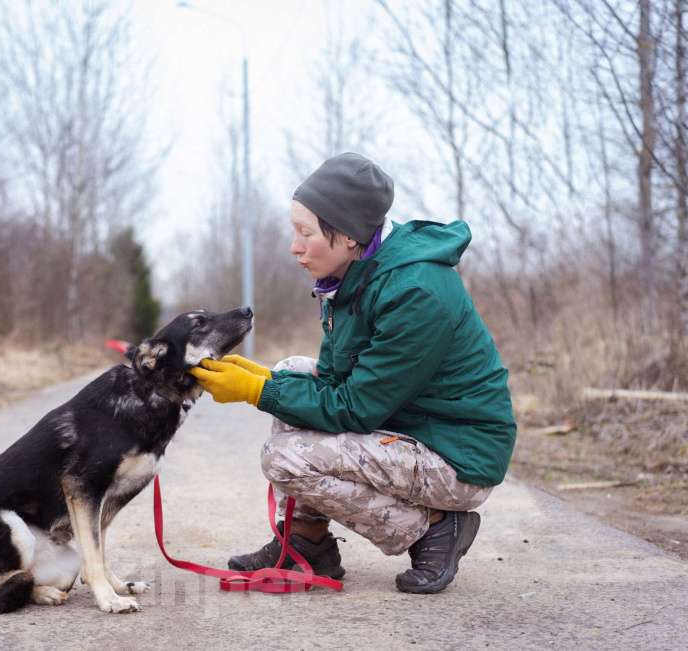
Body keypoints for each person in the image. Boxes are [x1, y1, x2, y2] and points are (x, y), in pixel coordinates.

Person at [188, 153, 516, 594]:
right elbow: (334, 382)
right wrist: (267, 379)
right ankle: (306, 543)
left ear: (346, 235)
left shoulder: (416, 292)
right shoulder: (357, 274)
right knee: (291, 371)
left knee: (284, 457)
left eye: (306, 233)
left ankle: (433, 526)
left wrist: (256, 391)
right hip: (411, 428)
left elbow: (355, 408)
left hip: (458, 458)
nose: (294, 246)